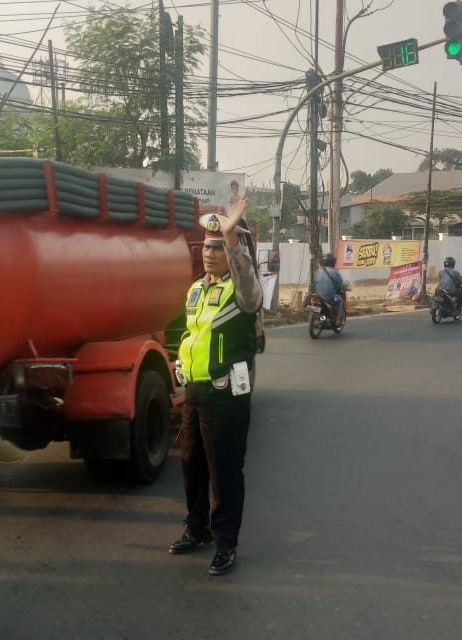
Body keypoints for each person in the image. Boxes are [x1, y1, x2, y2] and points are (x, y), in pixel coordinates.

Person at [170, 205, 262, 577]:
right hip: (195, 392)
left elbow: (251, 291)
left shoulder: (241, 291)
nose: (209, 254)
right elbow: (191, 334)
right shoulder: (196, 289)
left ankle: (226, 542)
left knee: (224, 471)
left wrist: (232, 239)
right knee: (192, 465)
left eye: (217, 248)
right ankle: (197, 529)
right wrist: (180, 365)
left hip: (227, 396)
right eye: (206, 247)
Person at [314, 252, 348, 325]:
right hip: (329, 297)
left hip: (317, 296)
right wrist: (344, 288)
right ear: (333, 262)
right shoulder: (335, 272)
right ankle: (337, 320)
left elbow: (314, 282)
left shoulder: (318, 271)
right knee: (340, 301)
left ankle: (322, 318)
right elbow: (339, 286)